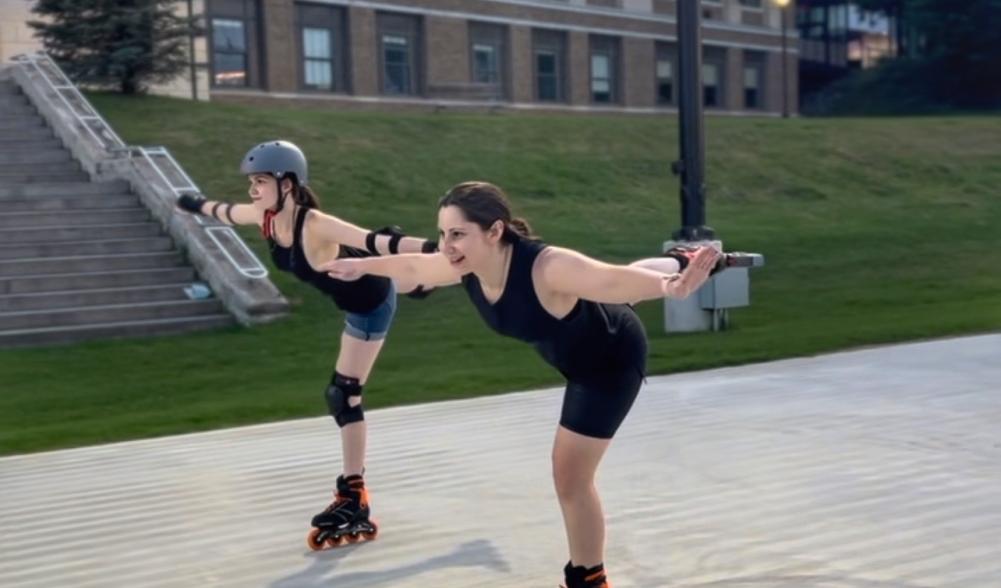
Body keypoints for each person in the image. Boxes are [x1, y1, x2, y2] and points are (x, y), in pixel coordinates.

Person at [321, 181, 723, 587]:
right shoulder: (467, 267)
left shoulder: (546, 266)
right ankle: (678, 261)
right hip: (578, 343)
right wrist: (361, 267)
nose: (446, 245)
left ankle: (589, 578)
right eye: (443, 234)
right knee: (610, 293)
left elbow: (612, 283)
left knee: (570, 477)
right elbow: (413, 267)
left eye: (458, 234)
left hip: (610, 362)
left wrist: (669, 291)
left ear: (495, 231)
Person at [175, 140, 436, 550]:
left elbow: (375, 241)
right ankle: (421, 281)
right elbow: (225, 212)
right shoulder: (265, 216)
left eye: (260, 182)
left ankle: (353, 498)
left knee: (344, 396)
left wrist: (440, 247)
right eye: (252, 183)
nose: (253, 191)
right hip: (353, 303)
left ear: (289, 183)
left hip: (371, 303)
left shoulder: (314, 224)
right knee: (341, 395)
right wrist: (194, 204)